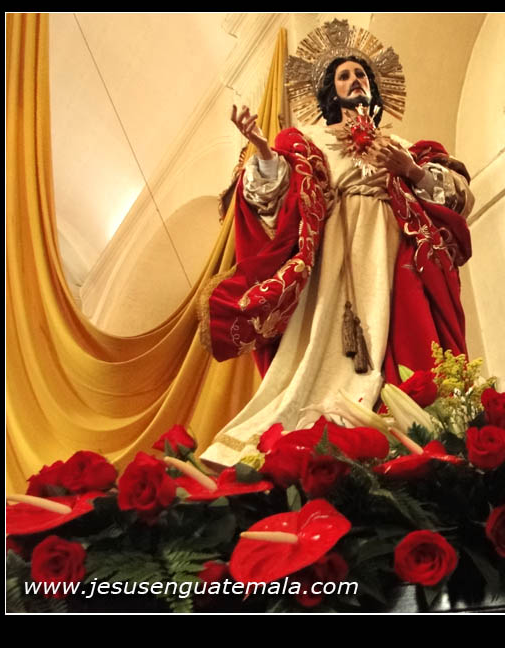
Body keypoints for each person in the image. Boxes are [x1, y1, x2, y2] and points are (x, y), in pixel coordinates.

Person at [199, 22, 474, 468]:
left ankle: (403, 421)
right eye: (344, 75)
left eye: (361, 74)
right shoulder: (314, 143)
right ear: (331, 90)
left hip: (393, 251)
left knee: (406, 337)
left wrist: (411, 170)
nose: (355, 80)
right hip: (334, 256)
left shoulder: (402, 145)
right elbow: (273, 201)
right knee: (323, 352)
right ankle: (325, 420)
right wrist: (264, 155)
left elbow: (457, 199)